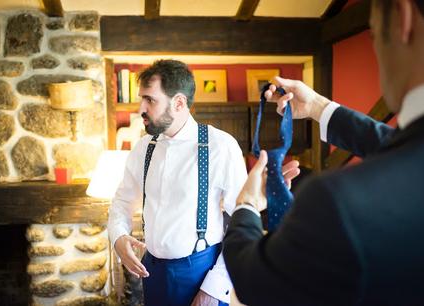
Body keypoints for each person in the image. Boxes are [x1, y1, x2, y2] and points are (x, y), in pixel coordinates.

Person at [223, 0, 424, 305]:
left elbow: (258, 284)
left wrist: (247, 205)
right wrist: (317, 106)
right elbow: (400, 147)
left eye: (372, 35)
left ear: (402, 17)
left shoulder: (338, 203)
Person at [108, 59, 301, 306]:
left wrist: (215, 288)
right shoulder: (142, 148)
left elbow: (241, 222)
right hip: (151, 273)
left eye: (150, 100)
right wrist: (118, 237)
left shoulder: (220, 146)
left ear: (179, 102)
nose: (140, 109)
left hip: (202, 275)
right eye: (141, 99)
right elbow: (122, 202)